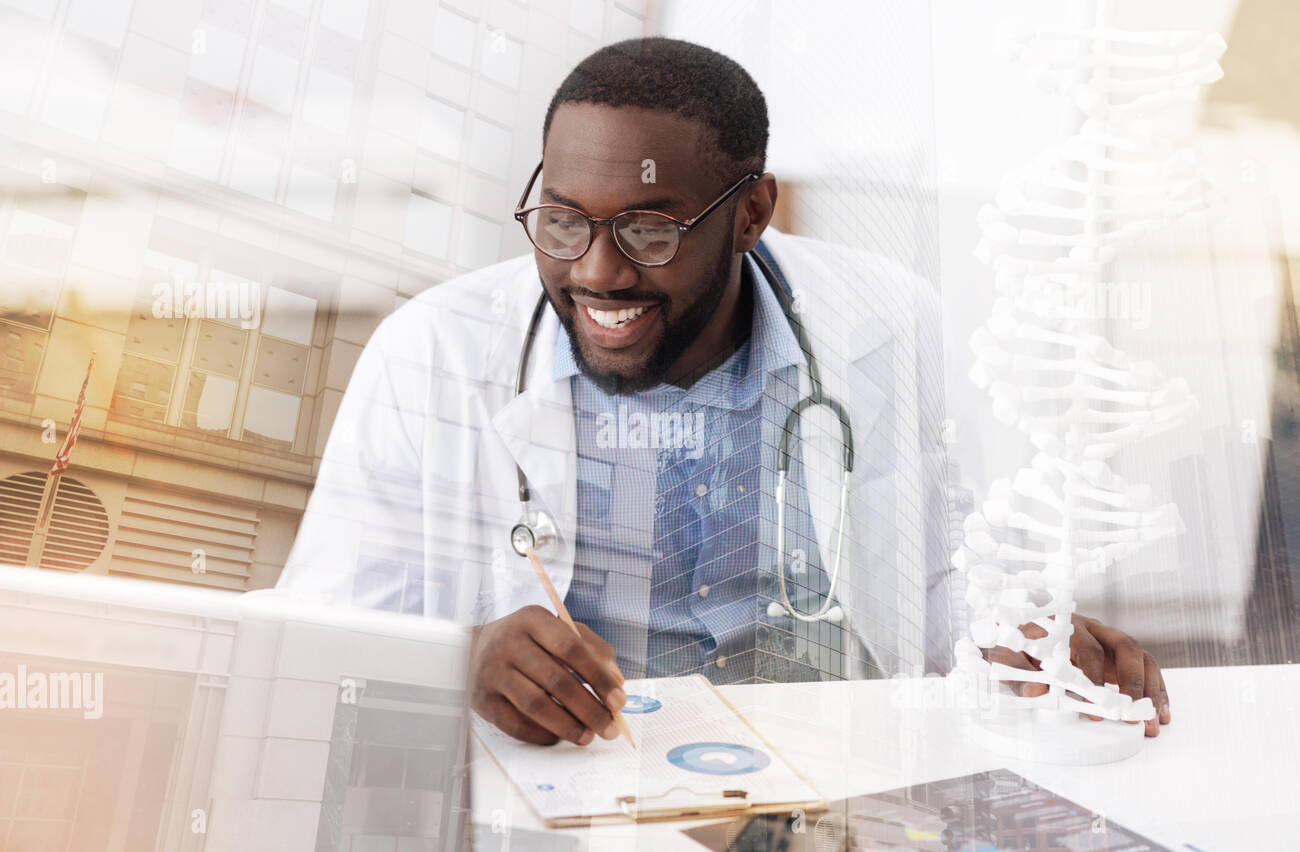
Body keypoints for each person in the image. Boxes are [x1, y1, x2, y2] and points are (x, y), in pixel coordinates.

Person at [278, 37, 1171, 746]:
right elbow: (308, 649)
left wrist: (1020, 640)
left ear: (751, 213)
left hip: (826, 788)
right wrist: (459, 661)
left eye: (649, 229)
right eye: (562, 220)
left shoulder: (889, 325)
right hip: (582, 789)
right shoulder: (428, 354)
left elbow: (936, 580)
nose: (596, 272)